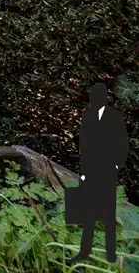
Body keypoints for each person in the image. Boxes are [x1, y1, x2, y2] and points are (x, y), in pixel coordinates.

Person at [68, 82, 126, 264]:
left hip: (107, 170)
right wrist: (83, 171)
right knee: (89, 213)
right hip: (90, 171)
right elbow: (84, 146)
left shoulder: (114, 117)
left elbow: (122, 143)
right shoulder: (87, 116)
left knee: (108, 213)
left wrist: (116, 165)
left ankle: (111, 253)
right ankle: (84, 251)